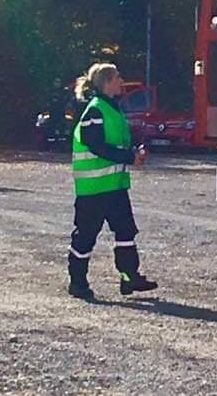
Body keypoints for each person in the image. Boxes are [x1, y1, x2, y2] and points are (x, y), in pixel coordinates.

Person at [67, 62, 158, 300]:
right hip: (94, 188)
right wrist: (130, 156)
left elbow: (117, 144)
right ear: (107, 82)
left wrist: (135, 151)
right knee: (86, 235)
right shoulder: (95, 110)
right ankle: (77, 282)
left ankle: (129, 277)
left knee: (126, 231)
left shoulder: (112, 109)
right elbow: (96, 146)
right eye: (117, 77)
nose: (121, 81)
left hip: (114, 186)